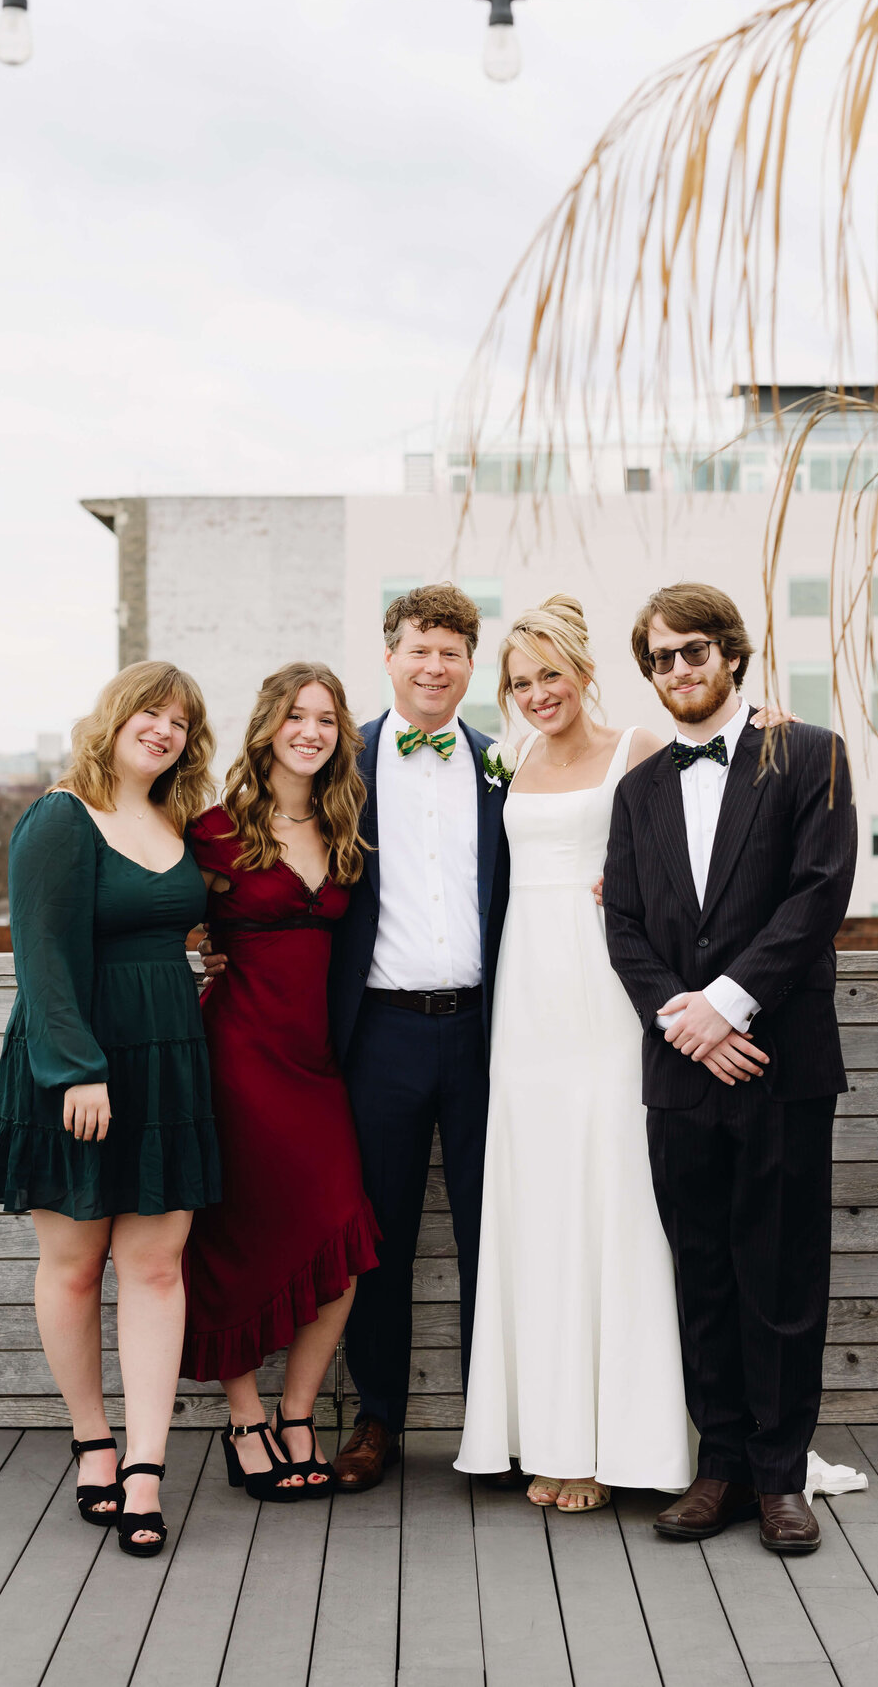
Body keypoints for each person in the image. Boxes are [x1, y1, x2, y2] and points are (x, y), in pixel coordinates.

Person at [456, 595, 792, 1512]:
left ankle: (617, 1443)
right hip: (525, 1005)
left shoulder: (638, 747)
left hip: (609, 998)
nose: (536, 695)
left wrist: (774, 719)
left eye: (550, 676)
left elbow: (711, 815)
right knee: (539, 1205)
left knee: (616, 1205)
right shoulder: (507, 757)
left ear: (584, 670)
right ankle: (547, 1434)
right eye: (519, 684)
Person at [603, 583, 857, 1556]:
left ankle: (782, 1477)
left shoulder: (810, 755)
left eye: (694, 650)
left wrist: (730, 1002)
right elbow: (622, 922)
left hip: (781, 1062)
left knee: (784, 1273)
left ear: (733, 654)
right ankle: (721, 1465)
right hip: (679, 1072)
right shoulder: (638, 791)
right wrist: (686, 1019)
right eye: (661, 658)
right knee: (702, 1270)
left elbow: (818, 893)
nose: (679, 670)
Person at [0, 662, 223, 1558]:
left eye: (181, 721)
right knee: (76, 1263)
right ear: (116, 716)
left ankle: (147, 1469)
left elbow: (187, 925)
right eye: (151, 713)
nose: (164, 729)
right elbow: (39, 952)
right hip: (76, 1063)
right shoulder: (61, 814)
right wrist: (76, 1070)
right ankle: (92, 1442)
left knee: (157, 1265)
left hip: (168, 1062)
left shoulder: (176, 818)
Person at [326, 583, 510, 1491]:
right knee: (381, 1237)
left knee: (494, 1234)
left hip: (488, 1033)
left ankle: (497, 1423)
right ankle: (378, 1419)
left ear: (472, 664)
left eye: (451, 652)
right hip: (380, 1036)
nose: (434, 667)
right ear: (389, 656)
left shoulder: (506, 762)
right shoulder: (341, 763)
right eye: (419, 650)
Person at [182, 662, 380, 1501]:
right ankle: (245, 1419)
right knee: (234, 1242)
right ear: (266, 726)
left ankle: (299, 1413)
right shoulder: (215, 832)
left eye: (327, 720)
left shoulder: (347, 828)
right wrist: (189, 966)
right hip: (236, 1059)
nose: (311, 730)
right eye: (296, 716)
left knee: (344, 1246)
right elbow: (150, 918)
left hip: (318, 1066)